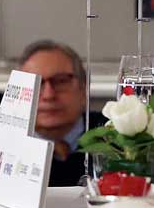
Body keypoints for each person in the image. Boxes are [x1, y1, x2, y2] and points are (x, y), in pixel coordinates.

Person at [19, 40, 104, 187]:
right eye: (35, 83)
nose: (48, 95)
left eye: (61, 81)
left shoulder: (115, 134)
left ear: (83, 89)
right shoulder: (1, 144)